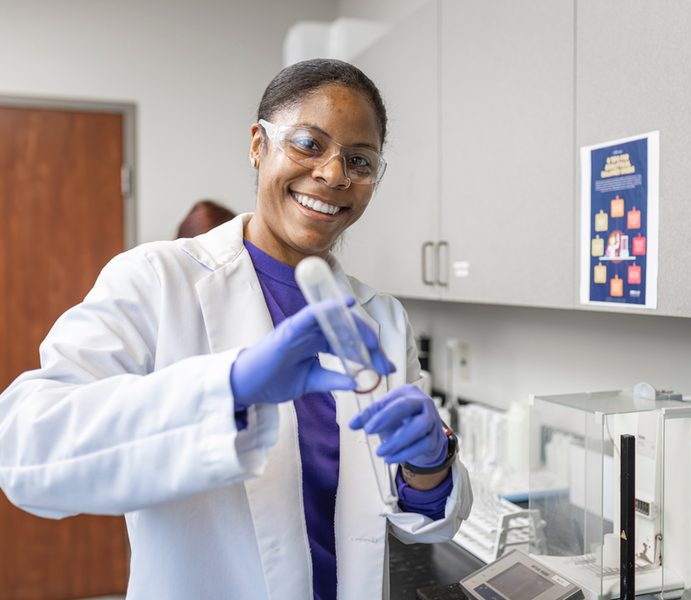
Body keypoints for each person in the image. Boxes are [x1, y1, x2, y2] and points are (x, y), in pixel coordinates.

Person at [0, 58, 472, 600]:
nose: (333, 174)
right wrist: (233, 386)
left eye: (359, 161)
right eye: (308, 144)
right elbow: (25, 450)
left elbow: (418, 519)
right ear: (257, 145)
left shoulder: (382, 318)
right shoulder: (156, 281)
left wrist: (429, 466)